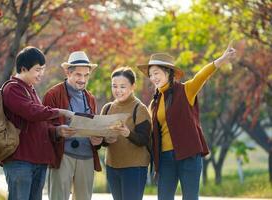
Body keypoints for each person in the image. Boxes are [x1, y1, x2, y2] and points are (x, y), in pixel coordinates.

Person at [137, 44, 236, 200]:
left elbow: (201, 76)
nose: (153, 78)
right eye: (150, 74)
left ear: (168, 72)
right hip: (165, 159)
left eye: (156, 73)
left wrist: (221, 60)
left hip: (188, 155)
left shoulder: (185, 90)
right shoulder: (154, 103)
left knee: (190, 197)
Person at [2, 46, 76, 200]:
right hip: (20, 162)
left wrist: (56, 131)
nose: (41, 74)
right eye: (37, 69)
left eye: (43, 69)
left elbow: (38, 125)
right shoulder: (12, 89)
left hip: (37, 160)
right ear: (23, 69)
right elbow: (33, 113)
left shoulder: (30, 89)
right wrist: (61, 111)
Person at [42, 51, 103, 200]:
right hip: (62, 156)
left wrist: (98, 140)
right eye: (78, 75)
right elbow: (42, 127)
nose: (82, 79)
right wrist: (57, 131)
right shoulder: (53, 94)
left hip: (87, 156)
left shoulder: (91, 98)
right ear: (68, 73)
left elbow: (93, 126)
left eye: (86, 75)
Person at [101, 67, 152, 200]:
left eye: (123, 86)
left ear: (133, 86)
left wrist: (128, 133)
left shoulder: (140, 109)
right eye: (114, 86)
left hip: (134, 168)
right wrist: (103, 140)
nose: (118, 90)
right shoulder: (107, 108)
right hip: (112, 166)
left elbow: (144, 140)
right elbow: (102, 140)